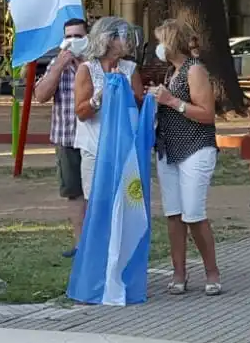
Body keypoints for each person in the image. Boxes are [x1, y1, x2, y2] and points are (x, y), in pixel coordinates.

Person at [149, 19, 221, 296]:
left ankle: (212, 272)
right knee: (174, 214)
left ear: (172, 43)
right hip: (168, 150)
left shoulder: (195, 70)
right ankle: (178, 272)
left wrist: (171, 102)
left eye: (160, 41)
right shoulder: (171, 72)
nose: (158, 47)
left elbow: (206, 114)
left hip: (195, 147)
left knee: (193, 213)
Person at [34, 18, 90, 256]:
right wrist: (58, 66)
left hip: (94, 140)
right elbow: (41, 96)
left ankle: (98, 241)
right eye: (69, 36)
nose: (73, 41)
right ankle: (80, 244)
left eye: (78, 36)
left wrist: (82, 64)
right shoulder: (57, 64)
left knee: (96, 192)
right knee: (74, 192)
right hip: (66, 137)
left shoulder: (95, 64)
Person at [75, 17, 145, 201]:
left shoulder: (130, 69)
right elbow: (81, 113)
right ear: (107, 39)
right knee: (97, 203)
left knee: (126, 202)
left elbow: (139, 106)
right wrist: (99, 98)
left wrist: (126, 91)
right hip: (95, 148)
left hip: (125, 148)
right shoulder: (87, 69)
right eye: (122, 36)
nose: (127, 41)